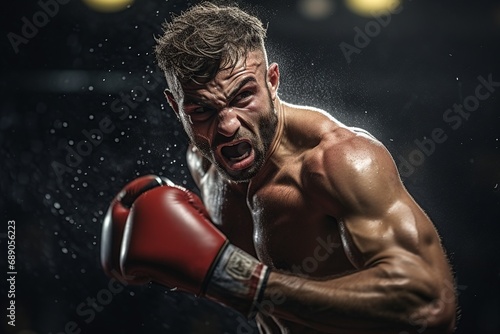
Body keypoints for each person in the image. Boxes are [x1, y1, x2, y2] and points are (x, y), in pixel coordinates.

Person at [100, 2, 457, 333]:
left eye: (242, 96)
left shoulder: (339, 161)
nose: (227, 126)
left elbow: (429, 302)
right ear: (176, 107)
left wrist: (245, 282)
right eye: (202, 111)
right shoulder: (204, 163)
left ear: (272, 81)